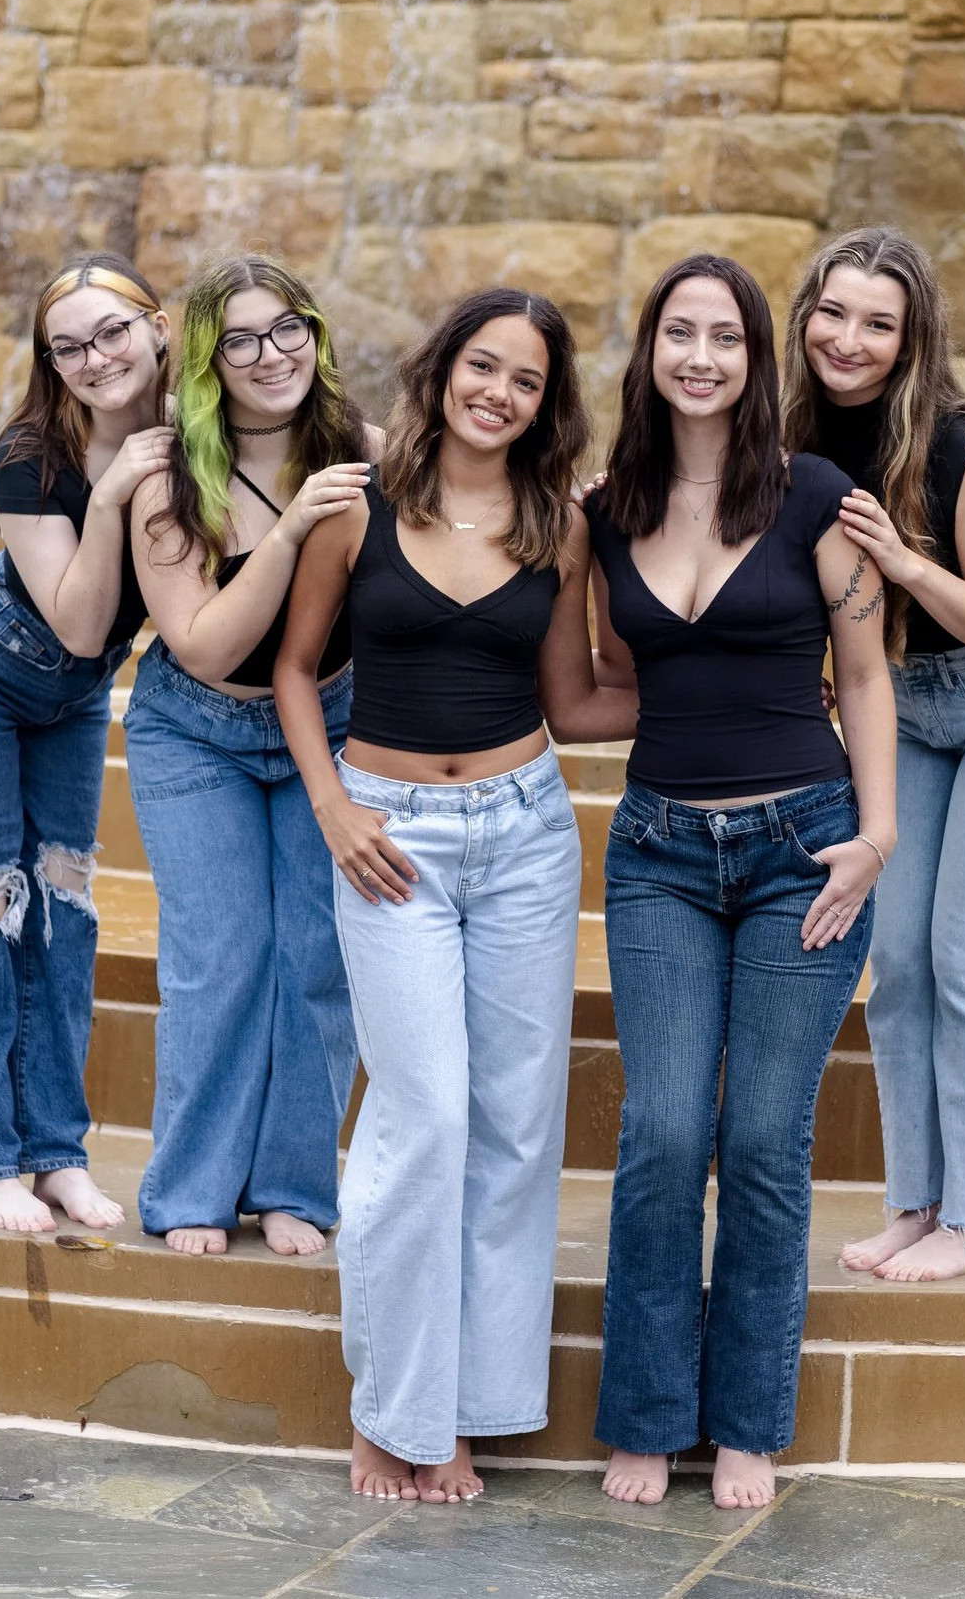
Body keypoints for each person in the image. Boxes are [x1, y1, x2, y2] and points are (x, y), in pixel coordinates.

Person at [274, 288, 637, 1506]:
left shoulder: (557, 523)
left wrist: (749, 697)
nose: (499, 392)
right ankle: (392, 1411)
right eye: (483, 366)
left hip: (525, 831)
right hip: (390, 837)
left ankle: (467, 1416)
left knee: (517, 1129)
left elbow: (578, 697)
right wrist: (332, 806)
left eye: (526, 381)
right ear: (441, 370)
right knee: (422, 1114)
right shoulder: (353, 503)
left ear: (548, 406)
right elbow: (292, 664)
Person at [584, 254, 895, 1511]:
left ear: (757, 360)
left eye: (725, 336)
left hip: (802, 852)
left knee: (763, 1135)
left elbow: (865, 677)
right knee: (662, 1129)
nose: (701, 355)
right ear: (649, 351)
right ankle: (649, 1413)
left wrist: (876, 835)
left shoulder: (818, 496)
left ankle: (750, 1420)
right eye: (679, 333)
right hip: (657, 849)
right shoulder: (604, 508)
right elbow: (593, 686)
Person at [776, 227, 965, 1286]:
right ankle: (918, 1203)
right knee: (898, 963)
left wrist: (903, 564)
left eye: (878, 322)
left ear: (914, 339)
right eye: (833, 313)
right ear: (803, 316)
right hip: (905, 709)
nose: (849, 339)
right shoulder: (790, 434)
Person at [0, 253, 176, 1234]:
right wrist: (107, 497)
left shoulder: (199, 430)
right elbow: (84, 623)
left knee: (64, 899)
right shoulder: (30, 457)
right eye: (70, 347)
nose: (96, 358)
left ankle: (52, 1150)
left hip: (68, 701)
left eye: (113, 332)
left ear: (158, 327)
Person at [122, 255, 376, 1260]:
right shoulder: (169, 480)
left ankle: (293, 1187)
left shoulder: (369, 449)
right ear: (206, 365)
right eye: (240, 341)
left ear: (314, 334)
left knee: (318, 955)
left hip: (336, 717)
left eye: (288, 330)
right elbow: (208, 644)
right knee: (221, 954)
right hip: (199, 730)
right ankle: (191, 1183)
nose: (271, 355)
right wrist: (296, 525)